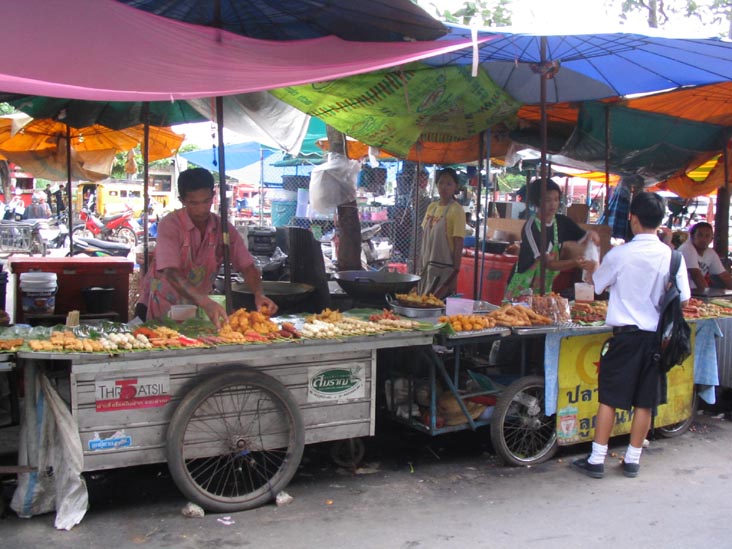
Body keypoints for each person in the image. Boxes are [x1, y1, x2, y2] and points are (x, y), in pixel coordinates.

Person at [572, 192, 691, 479]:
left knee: (610, 399)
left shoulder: (620, 254)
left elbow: (598, 285)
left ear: (633, 219)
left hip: (625, 338)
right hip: (656, 340)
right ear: (660, 221)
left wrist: (594, 268)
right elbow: (684, 299)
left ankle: (597, 459)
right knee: (644, 401)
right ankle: (633, 460)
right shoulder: (673, 257)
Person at [138, 168, 277, 328]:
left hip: (201, 307)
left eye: (206, 201)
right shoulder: (170, 225)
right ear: (182, 200)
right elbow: (170, 272)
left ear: (213, 196)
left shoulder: (223, 228)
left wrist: (259, 294)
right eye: (193, 203)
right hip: (162, 306)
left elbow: (246, 265)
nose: (201, 209)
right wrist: (206, 302)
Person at [504, 178, 599, 301]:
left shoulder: (561, 222)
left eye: (556, 199)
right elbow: (548, 264)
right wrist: (575, 262)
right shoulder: (531, 228)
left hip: (544, 286)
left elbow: (584, 236)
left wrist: (592, 236)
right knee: (518, 317)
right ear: (537, 201)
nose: (553, 204)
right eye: (548, 200)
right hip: (522, 285)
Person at [417, 168, 466, 298]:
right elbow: (425, 236)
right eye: (441, 183)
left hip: (444, 270)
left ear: (456, 187)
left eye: (449, 184)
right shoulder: (432, 207)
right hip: (426, 266)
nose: (444, 187)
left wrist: (454, 273)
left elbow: (458, 243)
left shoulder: (457, 210)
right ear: (437, 185)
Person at [678, 222, 732, 291]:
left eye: (707, 236)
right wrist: (707, 295)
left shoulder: (711, 253)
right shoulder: (687, 248)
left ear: (711, 239)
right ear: (692, 236)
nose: (703, 239)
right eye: (700, 235)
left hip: (697, 292)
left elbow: (724, 276)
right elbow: (696, 274)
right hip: (682, 291)